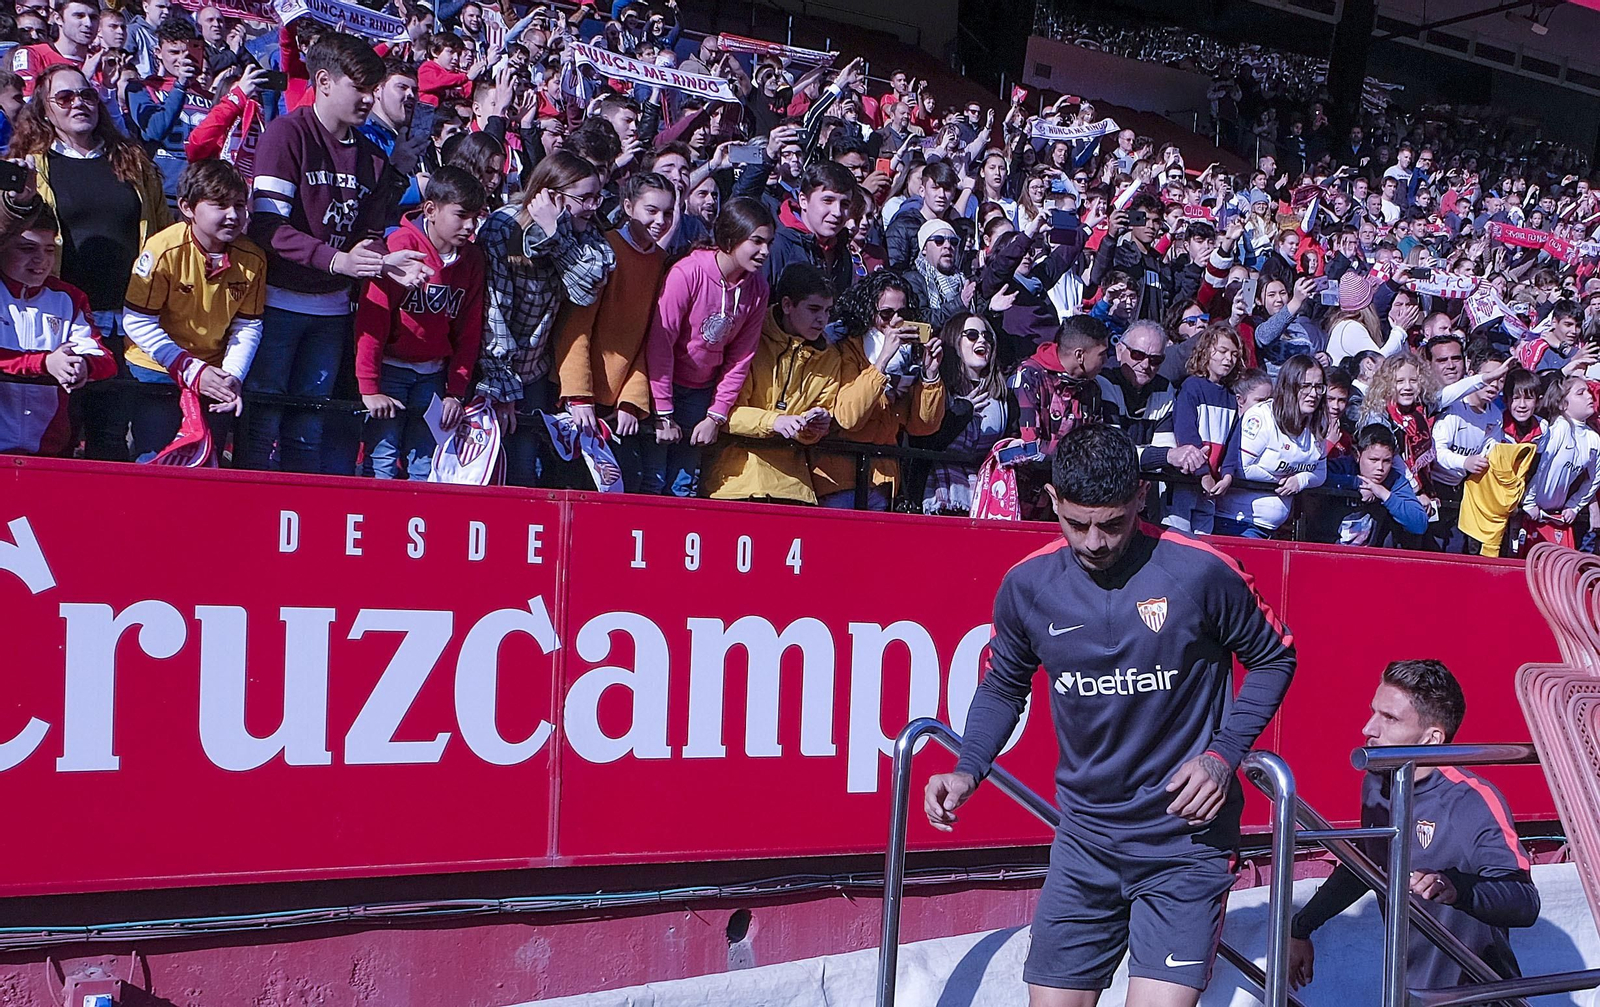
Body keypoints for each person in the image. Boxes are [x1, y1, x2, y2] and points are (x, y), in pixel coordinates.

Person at [927, 424, 1296, 1007]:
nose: (1095, 541)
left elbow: (1275, 657)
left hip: (1186, 847)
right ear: (1051, 500)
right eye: (1077, 524)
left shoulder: (1199, 572)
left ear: (1141, 499)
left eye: (1112, 523)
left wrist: (1224, 756)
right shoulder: (1027, 585)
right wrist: (967, 768)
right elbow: (1003, 684)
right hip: (1084, 843)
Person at [1288, 660, 1539, 994]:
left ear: (1431, 737)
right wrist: (1301, 927)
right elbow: (1371, 862)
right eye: (1373, 712)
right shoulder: (1378, 782)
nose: (1368, 728)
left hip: (1473, 996)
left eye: (1389, 718)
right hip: (1408, 992)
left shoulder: (1470, 800)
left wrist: (1456, 889)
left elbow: (1525, 901)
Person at [242, 35, 422, 475]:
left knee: (309, 430)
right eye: (358, 87)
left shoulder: (373, 157)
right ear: (323, 81)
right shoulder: (287, 134)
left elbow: (370, 233)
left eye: (372, 88)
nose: (368, 98)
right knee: (262, 425)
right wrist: (336, 260)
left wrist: (381, 258)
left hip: (334, 313)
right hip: (277, 304)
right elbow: (267, 227)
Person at [10, 63, 172, 461]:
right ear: (45, 110)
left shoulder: (132, 161)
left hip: (127, 318)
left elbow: (163, 233)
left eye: (86, 95)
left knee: (112, 437)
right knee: (58, 434)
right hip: (61, 320)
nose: (78, 103)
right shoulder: (30, 164)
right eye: (64, 98)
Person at [477, 149, 614, 485]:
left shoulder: (583, 233)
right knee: (487, 471)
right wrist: (503, 387)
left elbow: (587, 289)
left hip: (535, 369)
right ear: (551, 195)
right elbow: (494, 313)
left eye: (598, 196)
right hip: (491, 370)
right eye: (585, 198)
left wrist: (557, 237)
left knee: (525, 470)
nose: (594, 206)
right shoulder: (504, 226)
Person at [121, 158, 265, 461]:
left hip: (215, 373)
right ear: (187, 207)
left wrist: (232, 376)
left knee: (206, 460)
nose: (232, 215)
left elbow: (247, 325)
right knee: (157, 459)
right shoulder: (162, 251)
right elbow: (137, 321)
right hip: (157, 369)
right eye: (220, 205)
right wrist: (189, 368)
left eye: (239, 205)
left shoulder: (253, 258)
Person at [354, 165, 486, 480]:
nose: (470, 226)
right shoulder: (399, 247)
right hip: (390, 371)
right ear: (430, 209)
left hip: (433, 377)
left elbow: (469, 331)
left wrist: (456, 390)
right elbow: (372, 319)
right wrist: (370, 387)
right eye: (461, 215)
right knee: (381, 461)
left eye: (476, 217)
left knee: (427, 466)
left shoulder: (473, 260)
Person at [644, 197, 774, 497]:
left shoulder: (757, 288)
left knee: (684, 485)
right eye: (756, 241)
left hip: (701, 393)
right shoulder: (687, 273)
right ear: (731, 237)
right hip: (662, 386)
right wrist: (663, 410)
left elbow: (741, 357)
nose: (765, 251)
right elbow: (661, 343)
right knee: (652, 480)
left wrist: (716, 414)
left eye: (768, 242)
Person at [552, 170, 672, 491]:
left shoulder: (661, 261)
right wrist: (579, 395)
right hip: (578, 399)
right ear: (628, 207)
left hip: (618, 404)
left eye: (668, 212)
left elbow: (649, 337)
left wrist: (632, 399)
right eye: (652, 210)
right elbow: (576, 329)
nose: (660, 220)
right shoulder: (606, 249)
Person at [704, 262, 842, 505]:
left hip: (795, 490)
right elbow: (725, 412)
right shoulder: (750, 340)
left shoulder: (829, 357)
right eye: (813, 309)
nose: (822, 319)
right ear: (787, 305)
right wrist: (775, 422)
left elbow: (819, 417)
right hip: (736, 484)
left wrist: (816, 426)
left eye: (828, 311)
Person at [814, 268, 945, 509]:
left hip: (883, 481)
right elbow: (849, 418)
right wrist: (882, 362)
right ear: (868, 313)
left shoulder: (906, 358)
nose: (895, 321)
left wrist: (930, 374)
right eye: (886, 314)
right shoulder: (845, 350)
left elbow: (923, 426)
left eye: (902, 313)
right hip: (839, 481)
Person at [0, 202, 117, 455]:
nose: (41, 260)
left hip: (49, 449)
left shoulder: (69, 297)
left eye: (49, 249)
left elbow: (106, 360)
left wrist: (82, 365)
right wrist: (44, 364)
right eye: (27, 249)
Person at [1217, 354, 1328, 538]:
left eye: (1318, 387)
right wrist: (1281, 479)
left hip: (1276, 529)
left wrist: (1301, 480)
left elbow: (1321, 473)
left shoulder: (1318, 424)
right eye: (1305, 386)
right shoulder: (1261, 417)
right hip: (1238, 523)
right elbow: (1241, 467)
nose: (1313, 393)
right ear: (1289, 385)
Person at [915, 311, 1010, 515]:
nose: (982, 340)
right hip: (940, 495)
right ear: (954, 340)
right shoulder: (938, 386)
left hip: (987, 495)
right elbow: (926, 441)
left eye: (987, 336)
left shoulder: (1002, 395)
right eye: (973, 335)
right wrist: (963, 409)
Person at [1430, 350, 1509, 553]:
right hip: (1433, 487)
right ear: (1473, 375)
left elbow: (1490, 451)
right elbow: (1437, 451)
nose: (1495, 384)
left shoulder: (1495, 415)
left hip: (1462, 490)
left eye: (1501, 379)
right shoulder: (1454, 407)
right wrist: (1464, 462)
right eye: (1491, 377)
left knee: (1456, 551)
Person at [1167, 323, 1243, 534]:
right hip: (1186, 482)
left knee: (1203, 545)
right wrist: (1203, 474)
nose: (1229, 359)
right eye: (1223, 351)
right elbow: (1186, 434)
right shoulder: (1191, 387)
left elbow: (1232, 442)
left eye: (1234, 354)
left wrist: (1227, 475)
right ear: (1207, 351)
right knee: (1178, 543)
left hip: (1211, 488)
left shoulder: (1230, 397)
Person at [129, 18, 214, 205]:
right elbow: (154, 130)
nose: (182, 59)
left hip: (201, 193)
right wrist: (180, 86)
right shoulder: (142, 89)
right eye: (174, 52)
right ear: (158, 53)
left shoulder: (210, 97)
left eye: (187, 52)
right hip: (161, 194)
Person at [1517, 374, 1599, 551]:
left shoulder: (1594, 439)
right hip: (1530, 514)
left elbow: (1595, 479)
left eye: (1588, 391)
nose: (1589, 396)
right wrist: (1529, 502)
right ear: (1563, 405)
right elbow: (1539, 468)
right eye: (1580, 392)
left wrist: (1574, 506)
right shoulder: (1558, 429)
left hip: (1557, 517)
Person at [1311, 423, 1429, 546]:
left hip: (1368, 558)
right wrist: (1355, 483)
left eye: (1387, 461)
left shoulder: (1394, 480)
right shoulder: (1341, 467)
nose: (1380, 468)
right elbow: (1315, 478)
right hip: (1326, 551)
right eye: (1373, 460)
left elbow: (1419, 524)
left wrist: (1383, 493)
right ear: (1357, 455)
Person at [11, 0, 97, 97]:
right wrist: (83, 78)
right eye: (79, 16)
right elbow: (26, 105)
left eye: (94, 18)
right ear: (58, 18)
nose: (88, 23)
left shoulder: (103, 61)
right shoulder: (32, 54)